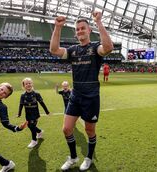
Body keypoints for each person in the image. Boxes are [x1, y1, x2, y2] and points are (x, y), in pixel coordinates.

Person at [49, 11, 114, 171]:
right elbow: (54, 50)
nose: (79, 31)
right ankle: (73, 157)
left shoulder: (95, 48)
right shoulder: (72, 50)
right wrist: (57, 27)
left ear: (89, 30)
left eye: (82, 28)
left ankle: (89, 157)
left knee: (89, 130)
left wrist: (99, 22)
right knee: (66, 129)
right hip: (75, 95)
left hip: (91, 97)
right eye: (77, 29)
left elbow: (108, 47)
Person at [17, 77, 50, 148]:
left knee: (32, 126)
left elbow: (42, 103)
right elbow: (21, 105)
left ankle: (34, 141)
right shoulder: (23, 95)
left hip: (35, 114)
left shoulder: (36, 94)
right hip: (28, 114)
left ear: (32, 84)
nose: (28, 85)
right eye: (26, 84)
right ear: (24, 86)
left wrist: (47, 112)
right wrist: (19, 113)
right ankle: (40, 131)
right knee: (30, 126)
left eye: (29, 83)